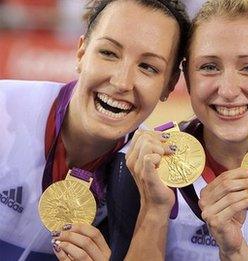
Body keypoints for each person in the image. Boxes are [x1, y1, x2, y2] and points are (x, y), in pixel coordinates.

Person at [0, 0, 190, 260]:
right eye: (109, 53)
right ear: (81, 53)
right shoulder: (4, 112)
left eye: (148, 67)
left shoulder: (152, 177)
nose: (122, 82)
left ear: (169, 85)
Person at [107, 0, 248, 260]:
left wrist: (235, 252)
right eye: (209, 67)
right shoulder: (143, 165)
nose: (228, 91)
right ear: (187, 78)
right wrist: (154, 211)